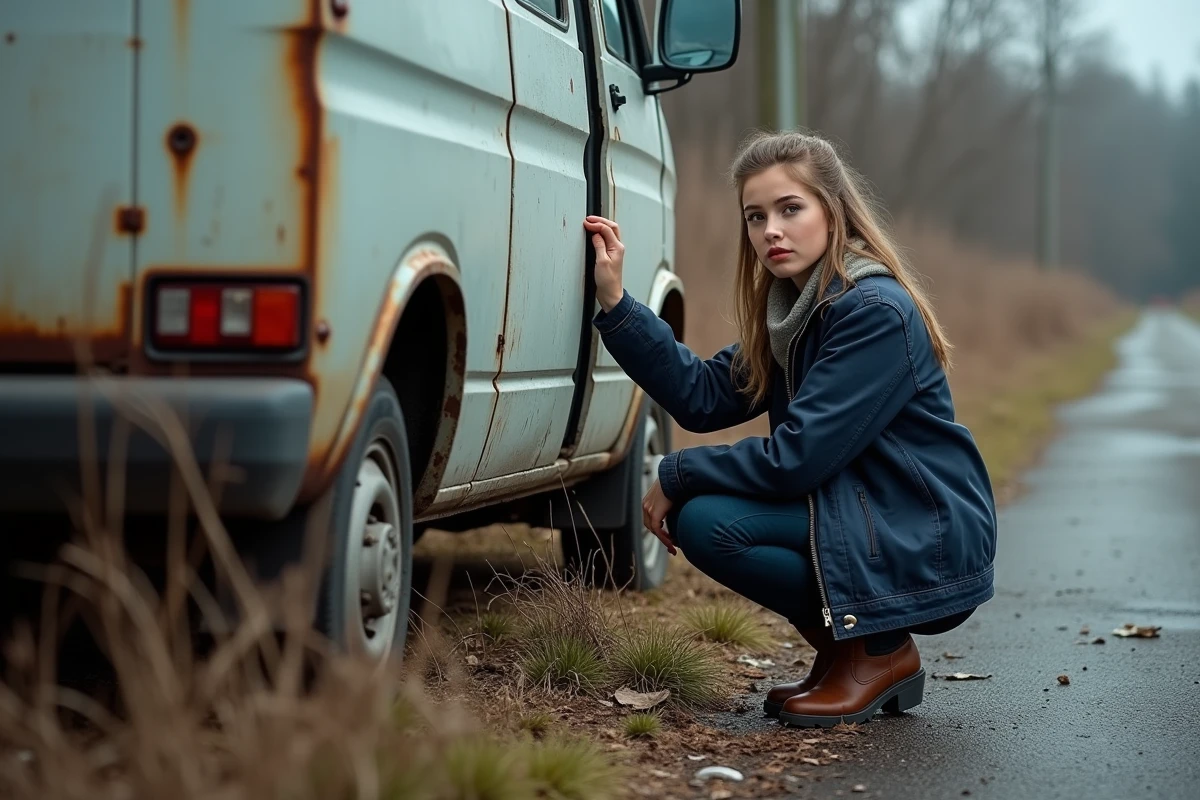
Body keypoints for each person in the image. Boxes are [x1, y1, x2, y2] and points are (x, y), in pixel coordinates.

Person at [583, 130, 997, 729]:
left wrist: (677, 471)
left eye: (790, 209)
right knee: (702, 513)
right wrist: (617, 304)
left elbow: (796, 458)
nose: (770, 230)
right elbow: (702, 396)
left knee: (706, 521)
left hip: (918, 525)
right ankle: (844, 654)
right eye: (755, 217)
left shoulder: (872, 311)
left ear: (835, 213)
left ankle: (876, 652)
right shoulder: (793, 310)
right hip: (862, 510)